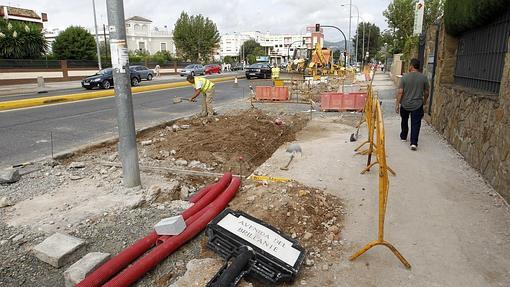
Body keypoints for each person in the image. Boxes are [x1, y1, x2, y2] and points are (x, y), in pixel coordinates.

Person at [395, 58, 429, 151]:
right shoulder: (423, 78)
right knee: (416, 123)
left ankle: (403, 136)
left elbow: (400, 92)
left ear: (411, 66)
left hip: (405, 104)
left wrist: (397, 104)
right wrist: (424, 101)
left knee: (404, 120)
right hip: (417, 104)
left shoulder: (404, 77)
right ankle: (413, 143)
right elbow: (426, 92)